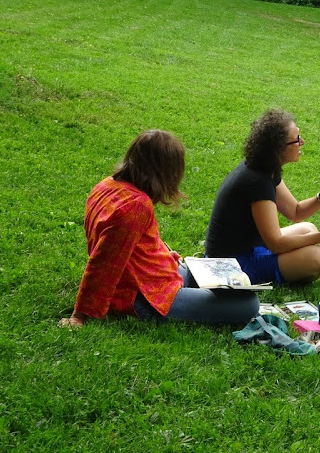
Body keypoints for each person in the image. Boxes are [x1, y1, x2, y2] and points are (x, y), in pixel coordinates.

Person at [59, 130, 259, 328]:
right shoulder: (135, 206)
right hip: (144, 297)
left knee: (213, 276)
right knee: (249, 304)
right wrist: (79, 316)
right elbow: (105, 262)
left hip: (153, 277)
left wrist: (161, 256)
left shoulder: (106, 185)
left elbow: (135, 245)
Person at [205, 109, 320, 284]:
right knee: (318, 259)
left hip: (252, 246)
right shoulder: (257, 182)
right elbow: (275, 244)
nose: (302, 142)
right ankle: (305, 261)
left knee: (308, 228)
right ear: (278, 149)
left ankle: (300, 259)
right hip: (232, 264)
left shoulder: (265, 168)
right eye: (296, 139)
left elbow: (296, 212)